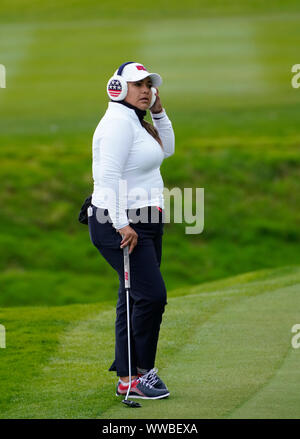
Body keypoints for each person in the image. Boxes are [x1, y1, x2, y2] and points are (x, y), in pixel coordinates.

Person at [88, 62, 175, 399]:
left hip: (147, 222)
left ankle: (129, 377)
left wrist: (159, 112)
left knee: (136, 298)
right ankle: (140, 373)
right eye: (138, 85)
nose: (146, 90)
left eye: (149, 85)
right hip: (121, 221)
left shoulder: (135, 122)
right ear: (118, 88)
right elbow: (106, 178)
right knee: (152, 296)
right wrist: (121, 222)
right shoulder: (117, 124)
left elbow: (166, 149)